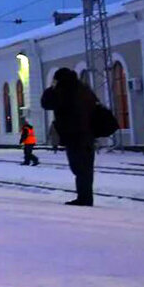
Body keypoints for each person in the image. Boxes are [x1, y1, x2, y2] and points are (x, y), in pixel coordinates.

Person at [41, 68, 97, 206]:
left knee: (78, 167)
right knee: (86, 168)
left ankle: (84, 198)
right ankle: (86, 197)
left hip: (73, 135)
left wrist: (51, 88)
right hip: (88, 133)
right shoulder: (84, 89)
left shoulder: (62, 91)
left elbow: (46, 103)